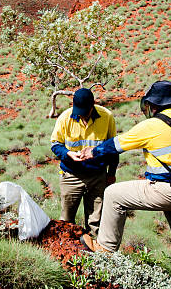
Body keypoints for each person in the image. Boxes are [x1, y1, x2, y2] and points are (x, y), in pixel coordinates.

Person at [78, 81, 171, 289]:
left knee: (113, 194)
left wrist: (90, 152)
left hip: (169, 191)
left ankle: (104, 249)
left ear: (155, 105)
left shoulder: (152, 125)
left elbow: (116, 145)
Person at [50, 88, 118, 237]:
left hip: (97, 176)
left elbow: (114, 148)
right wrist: (68, 154)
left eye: (84, 111)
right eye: (78, 110)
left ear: (92, 106)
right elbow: (55, 145)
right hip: (71, 175)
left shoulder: (106, 117)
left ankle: (94, 253)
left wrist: (111, 174)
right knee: (66, 221)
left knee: (96, 222)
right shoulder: (65, 118)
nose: (81, 114)